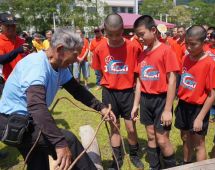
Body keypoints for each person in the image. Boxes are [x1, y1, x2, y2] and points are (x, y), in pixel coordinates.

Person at [0, 28, 116, 170]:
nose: (77, 59)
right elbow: (36, 107)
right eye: (75, 54)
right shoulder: (36, 65)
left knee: (38, 162)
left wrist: (101, 107)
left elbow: (77, 90)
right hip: (12, 123)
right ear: (60, 49)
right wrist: (60, 144)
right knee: (69, 140)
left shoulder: (60, 67)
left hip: (27, 122)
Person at [92, 14, 144, 170]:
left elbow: (138, 74)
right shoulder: (99, 48)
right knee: (115, 127)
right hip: (109, 93)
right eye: (110, 34)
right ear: (104, 31)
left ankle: (134, 155)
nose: (114, 38)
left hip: (128, 93)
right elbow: (99, 70)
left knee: (130, 127)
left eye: (118, 33)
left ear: (123, 29)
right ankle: (117, 159)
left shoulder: (134, 47)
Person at [132, 15, 180, 169]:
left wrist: (167, 109)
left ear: (153, 30)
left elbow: (172, 80)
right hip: (146, 101)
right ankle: (155, 166)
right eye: (137, 35)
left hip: (161, 100)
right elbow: (139, 81)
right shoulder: (142, 54)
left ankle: (170, 166)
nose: (139, 38)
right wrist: (135, 105)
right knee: (151, 136)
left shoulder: (166, 51)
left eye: (141, 34)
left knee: (162, 139)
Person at [175, 25, 215, 164]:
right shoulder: (186, 58)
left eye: (193, 44)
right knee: (185, 137)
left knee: (199, 143)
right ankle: (187, 163)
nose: (188, 47)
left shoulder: (209, 63)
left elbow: (213, 94)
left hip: (198, 108)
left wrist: (200, 117)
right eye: (187, 43)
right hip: (183, 105)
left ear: (203, 43)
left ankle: (200, 167)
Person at [0, 12, 30, 81]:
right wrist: (17, 51)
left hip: (23, 79)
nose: (11, 28)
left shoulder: (21, 41)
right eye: (8, 25)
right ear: (1, 25)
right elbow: (2, 60)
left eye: (13, 25)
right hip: (6, 81)